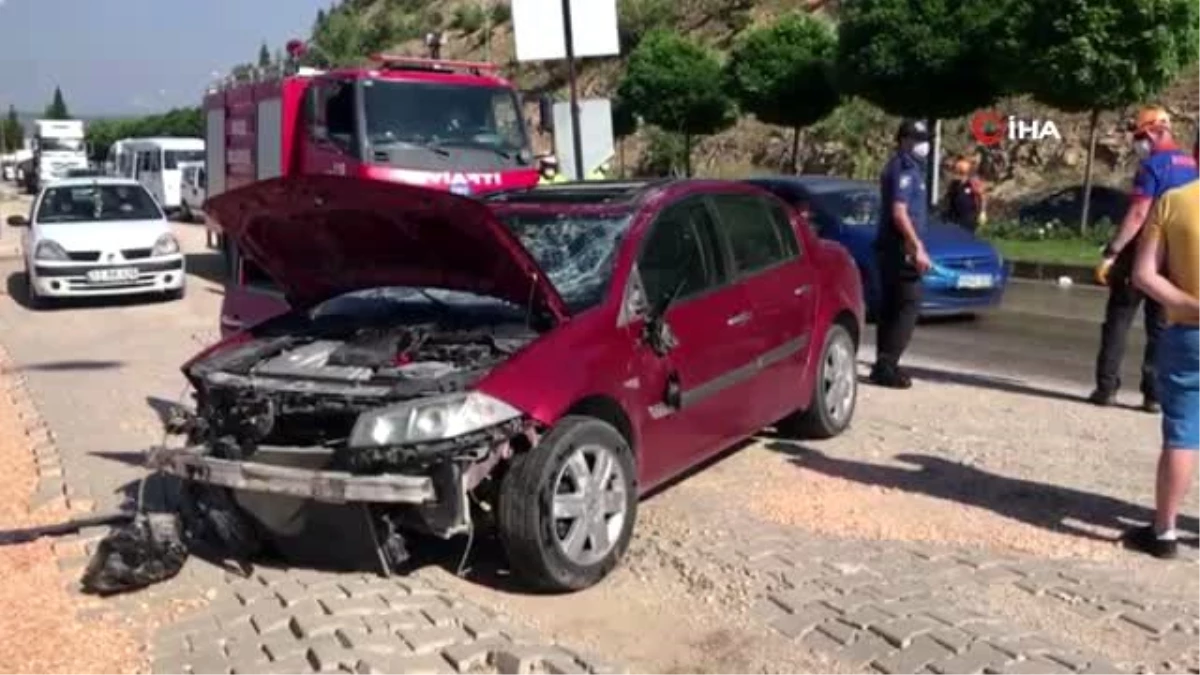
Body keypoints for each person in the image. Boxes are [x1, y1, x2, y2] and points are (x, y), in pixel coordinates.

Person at [1089, 106, 1197, 412]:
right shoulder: (1192, 164)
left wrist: (1112, 252)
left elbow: (1138, 214)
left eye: (1139, 136)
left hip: (1142, 252)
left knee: (1118, 321)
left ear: (1151, 131)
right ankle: (1153, 396)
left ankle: (1106, 389)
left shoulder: (1152, 167)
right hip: (1174, 255)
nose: (1138, 143)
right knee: (1159, 327)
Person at [1125, 174, 1200, 558]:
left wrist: (1187, 306)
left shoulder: (1174, 201)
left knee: (1184, 432)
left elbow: (1143, 274)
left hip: (1189, 332)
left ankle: (1165, 531)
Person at [869, 119, 933, 389]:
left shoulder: (908, 167)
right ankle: (887, 364)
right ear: (904, 140)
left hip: (894, 245)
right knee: (909, 304)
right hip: (899, 246)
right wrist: (916, 246)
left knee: (893, 306)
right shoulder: (904, 168)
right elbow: (899, 212)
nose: (923, 145)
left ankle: (884, 362)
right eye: (918, 139)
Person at [943, 157, 986, 232]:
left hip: (969, 216)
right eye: (957, 171)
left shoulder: (973, 182)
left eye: (961, 172)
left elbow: (982, 197)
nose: (958, 175)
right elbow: (948, 198)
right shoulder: (954, 184)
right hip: (954, 216)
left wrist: (982, 212)